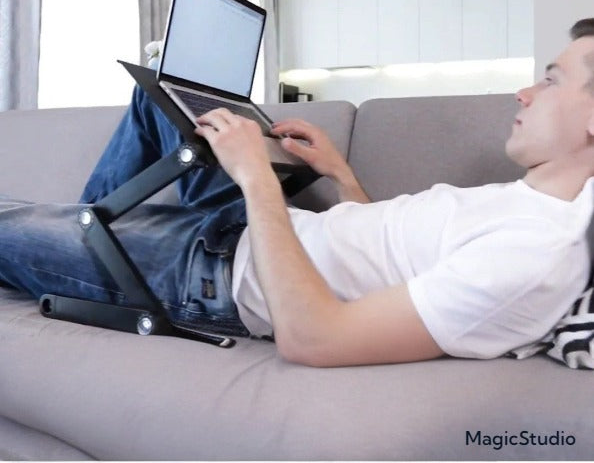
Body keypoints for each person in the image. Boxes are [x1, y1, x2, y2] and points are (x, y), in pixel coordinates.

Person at [1, 19, 594, 368]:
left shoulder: (534, 254)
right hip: (256, 232)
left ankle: (85, 240)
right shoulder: (527, 206)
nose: (524, 92)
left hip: (212, 275)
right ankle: (87, 229)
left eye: (552, 80)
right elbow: (380, 257)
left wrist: (257, 176)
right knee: (157, 93)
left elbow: (314, 339)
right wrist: (340, 174)